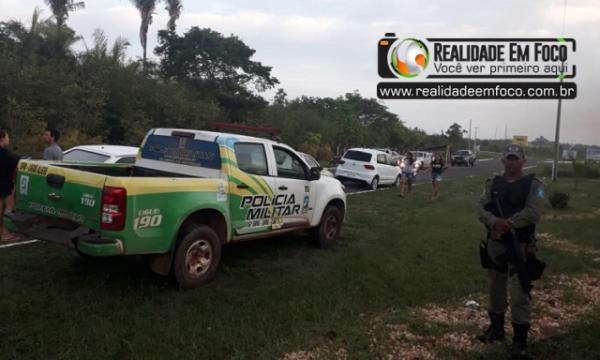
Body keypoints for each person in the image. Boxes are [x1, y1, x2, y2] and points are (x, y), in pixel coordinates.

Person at [477, 144, 544, 359]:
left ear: (523, 161)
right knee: (496, 287)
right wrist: (495, 222)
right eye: (508, 158)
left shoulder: (534, 185)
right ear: (502, 161)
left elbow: (534, 212)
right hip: (496, 243)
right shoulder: (493, 184)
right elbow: (480, 207)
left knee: (519, 292)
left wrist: (509, 224)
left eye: (516, 158)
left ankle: (519, 342)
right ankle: (495, 330)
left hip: (521, 245)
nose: (512, 162)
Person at [0, 129, 20, 241]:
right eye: (7, 137)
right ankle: (3, 234)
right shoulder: (4, 153)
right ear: (2, 138)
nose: (9, 139)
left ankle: (3, 232)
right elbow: (16, 162)